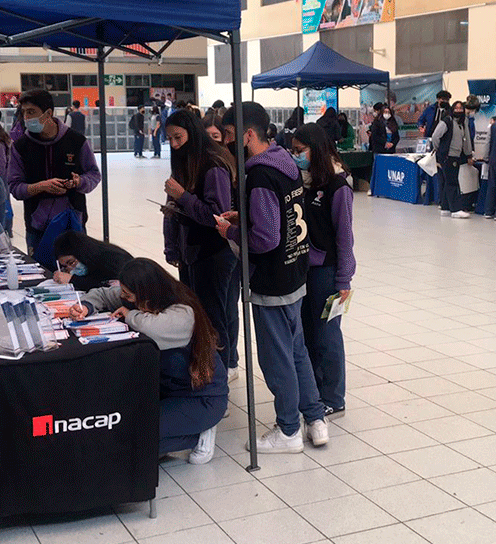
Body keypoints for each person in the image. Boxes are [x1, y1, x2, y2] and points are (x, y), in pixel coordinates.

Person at [216, 102, 327, 453]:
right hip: (296, 271)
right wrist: (245, 216)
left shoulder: (259, 174)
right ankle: (315, 418)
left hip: (272, 281)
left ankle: (289, 430)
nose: (228, 142)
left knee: (277, 358)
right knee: (297, 351)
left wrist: (231, 233)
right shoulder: (286, 163)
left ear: (248, 134)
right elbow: (280, 214)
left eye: (231, 136)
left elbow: (265, 238)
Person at [71, 258, 227, 464]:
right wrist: (87, 307)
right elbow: (103, 294)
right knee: (120, 430)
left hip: (200, 397)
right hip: (167, 390)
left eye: (128, 295)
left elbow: (153, 328)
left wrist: (129, 314)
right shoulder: (138, 298)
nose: (123, 298)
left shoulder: (182, 311)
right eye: (123, 294)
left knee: (139, 440)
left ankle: (198, 434)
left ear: (147, 290)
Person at [163, 109, 238, 378]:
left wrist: (183, 197)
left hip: (214, 252)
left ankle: (222, 374)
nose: (174, 144)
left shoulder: (212, 165)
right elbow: (179, 208)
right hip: (190, 252)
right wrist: (172, 245)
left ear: (192, 133)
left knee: (214, 317)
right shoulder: (186, 162)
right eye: (169, 138)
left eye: (178, 137)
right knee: (198, 315)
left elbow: (216, 217)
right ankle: (208, 370)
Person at [291, 125, 354, 419]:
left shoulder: (337, 187)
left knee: (327, 334)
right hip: (304, 269)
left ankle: (334, 397)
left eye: (300, 151)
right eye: (293, 151)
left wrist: (344, 278)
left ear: (315, 150)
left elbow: (345, 236)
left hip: (327, 272)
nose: (296, 156)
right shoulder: (302, 183)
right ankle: (314, 391)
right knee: (307, 334)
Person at [7, 89, 101, 254]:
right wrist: (41, 186)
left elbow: (94, 174)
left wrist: (80, 182)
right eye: (24, 113)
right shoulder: (20, 147)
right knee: (41, 273)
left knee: (75, 274)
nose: (27, 118)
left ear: (48, 113)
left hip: (73, 225)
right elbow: (15, 187)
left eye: (31, 112)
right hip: (37, 228)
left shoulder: (76, 141)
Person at [431, 101, 475, 218]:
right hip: (447, 156)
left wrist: (469, 154)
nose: (459, 111)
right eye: (457, 108)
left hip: (457, 155)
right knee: (453, 182)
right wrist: (438, 150)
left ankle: (445, 208)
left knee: (448, 181)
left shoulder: (463, 121)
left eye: (461, 108)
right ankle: (456, 209)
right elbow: (435, 136)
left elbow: (467, 139)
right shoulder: (447, 121)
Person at [52, 230, 133, 291]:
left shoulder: (111, 259)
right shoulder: (91, 262)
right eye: (65, 266)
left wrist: (73, 279)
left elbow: (109, 290)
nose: (70, 269)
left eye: (71, 262)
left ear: (82, 253)